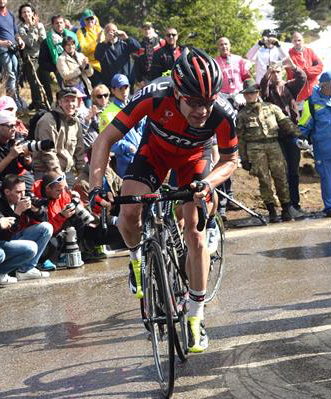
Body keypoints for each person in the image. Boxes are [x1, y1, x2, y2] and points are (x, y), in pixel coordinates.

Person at [90, 47, 238, 353]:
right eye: (195, 102)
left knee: (194, 230)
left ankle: (196, 317)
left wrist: (208, 184)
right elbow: (105, 139)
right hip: (153, 155)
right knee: (130, 212)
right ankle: (136, 258)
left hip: (193, 162)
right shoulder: (154, 95)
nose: (202, 111)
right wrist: (96, 186)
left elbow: (230, 160)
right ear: (178, 93)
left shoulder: (223, 112)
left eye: (208, 103)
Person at [236, 78, 301, 223]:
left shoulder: (271, 108)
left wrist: (298, 134)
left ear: (257, 93)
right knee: (264, 180)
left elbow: (285, 122)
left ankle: (286, 208)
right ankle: (271, 211)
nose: (250, 95)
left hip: (273, 145)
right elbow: (240, 139)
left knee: (281, 177)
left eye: (252, 92)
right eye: (247, 93)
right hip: (255, 148)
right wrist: (244, 158)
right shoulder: (242, 115)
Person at [0, 173, 52, 282]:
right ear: (7, 192)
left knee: (46, 228)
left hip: (10, 238)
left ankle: (25, 270)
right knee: (31, 248)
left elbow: (44, 219)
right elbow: (5, 234)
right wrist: (17, 212)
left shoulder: (18, 199)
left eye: (24, 191)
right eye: (18, 192)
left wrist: (36, 210)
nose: (23, 195)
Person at [298, 72, 331, 217]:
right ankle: (330, 208)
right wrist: (301, 137)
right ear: (323, 85)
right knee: (327, 179)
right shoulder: (311, 103)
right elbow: (304, 124)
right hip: (324, 148)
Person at [260, 62, 307, 216]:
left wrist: (293, 66)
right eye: (273, 72)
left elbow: (302, 77)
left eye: (278, 71)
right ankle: (286, 206)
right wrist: (268, 72)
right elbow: (262, 86)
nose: (276, 74)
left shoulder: (289, 86)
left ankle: (295, 204)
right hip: (277, 135)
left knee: (294, 171)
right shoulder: (268, 91)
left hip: (292, 133)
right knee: (282, 172)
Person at [33, 87, 89, 189]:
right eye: (66, 100)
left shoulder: (75, 121)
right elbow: (48, 153)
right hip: (46, 173)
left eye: (73, 100)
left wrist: (82, 174)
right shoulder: (48, 121)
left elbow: (79, 151)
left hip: (68, 172)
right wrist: (59, 177)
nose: (70, 104)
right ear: (59, 102)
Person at [0, 110, 35, 189]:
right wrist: (10, 156)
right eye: (10, 126)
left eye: (15, 125)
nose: (14, 129)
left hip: (14, 179)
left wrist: (27, 158)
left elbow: (29, 166)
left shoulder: (16, 137)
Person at [99, 74, 143, 178]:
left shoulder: (134, 105)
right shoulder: (107, 114)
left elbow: (142, 128)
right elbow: (108, 142)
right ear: (113, 90)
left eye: (126, 87)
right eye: (120, 89)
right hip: (125, 161)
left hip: (142, 156)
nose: (124, 91)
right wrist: (128, 147)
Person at [0, 0, 25, 108]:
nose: (1, 1)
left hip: (13, 50)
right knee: (10, 76)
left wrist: (20, 40)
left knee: (16, 75)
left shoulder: (10, 15)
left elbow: (15, 32)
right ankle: (13, 102)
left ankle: (16, 99)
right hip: (1, 51)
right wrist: (2, 43)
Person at [37, 15, 79, 107]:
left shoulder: (72, 37)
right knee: (67, 94)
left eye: (61, 22)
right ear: (52, 25)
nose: (59, 25)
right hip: (60, 72)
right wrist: (55, 68)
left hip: (76, 69)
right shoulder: (47, 42)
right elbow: (42, 61)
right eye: (56, 23)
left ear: (64, 24)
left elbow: (79, 52)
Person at [17, 3, 47, 110]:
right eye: (24, 12)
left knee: (45, 81)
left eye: (28, 11)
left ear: (33, 13)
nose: (26, 14)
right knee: (34, 83)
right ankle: (38, 104)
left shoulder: (40, 25)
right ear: (21, 15)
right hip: (30, 58)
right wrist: (33, 28)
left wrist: (36, 28)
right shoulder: (21, 28)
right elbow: (30, 42)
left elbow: (43, 41)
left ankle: (48, 102)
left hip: (42, 58)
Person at [94, 23, 141, 88]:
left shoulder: (124, 43)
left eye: (113, 30)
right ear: (105, 33)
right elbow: (97, 57)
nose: (111, 33)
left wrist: (126, 37)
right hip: (111, 85)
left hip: (127, 83)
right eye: (108, 31)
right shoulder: (102, 46)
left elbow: (137, 47)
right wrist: (106, 41)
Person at [286, 32, 323, 102]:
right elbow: (292, 75)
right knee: (303, 112)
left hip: (314, 90)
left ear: (303, 40)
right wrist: (304, 74)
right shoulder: (289, 55)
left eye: (299, 40)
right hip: (300, 93)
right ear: (292, 42)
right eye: (295, 41)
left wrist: (306, 72)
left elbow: (320, 66)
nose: (297, 43)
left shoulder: (310, 51)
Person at [57, 36, 94, 105]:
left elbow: (90, 74)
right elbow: (66, 76)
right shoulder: (61, 59)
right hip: (73, 90)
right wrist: (80, 68)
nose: (71, 46)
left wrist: (87, 66)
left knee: (89, 109)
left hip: (86, 88)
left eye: (72, 44)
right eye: (68, 45)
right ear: (64, 46)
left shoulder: (81, 55)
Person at [76, 9, 103, 87]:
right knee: (98, 89)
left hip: (104, 65)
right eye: (87, 19)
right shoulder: (81, 32)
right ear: (83, 20)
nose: (89, 20)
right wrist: (96, 42)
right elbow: (83, 49)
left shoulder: (100, 29)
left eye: (91, 18)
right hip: (92, 67)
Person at [134, 22, 164, 86]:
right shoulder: (139, 46)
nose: (147, 31)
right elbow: (137, 64)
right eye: (144, 29)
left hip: (160, 77)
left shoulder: (160, 42)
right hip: (146, 79)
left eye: (149, 28)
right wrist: (140, 80)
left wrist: (157, 36)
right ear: (142, 31)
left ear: (153, 30)